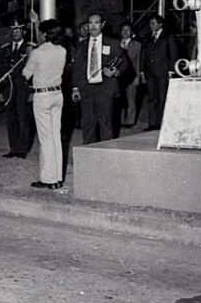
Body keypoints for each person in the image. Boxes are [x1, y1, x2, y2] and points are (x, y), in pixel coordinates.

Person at [23, 20, 69, 189]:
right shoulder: (62, 50)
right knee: (55, 136)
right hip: (57, 94)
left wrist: (29, 55)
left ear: (45, 34)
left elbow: (26, 74)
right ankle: (57, 178)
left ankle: (48, 179)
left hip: (42, 96)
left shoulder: (37, 53)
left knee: (45, 138)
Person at [71, 13, 126, 144]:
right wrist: (75, 88)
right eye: (90, 23)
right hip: (87, 89)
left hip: (105, 89)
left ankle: (105, 156)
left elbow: (124, 63)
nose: (93, 26)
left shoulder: (112, 43)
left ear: (102, 25)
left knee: (105, 124)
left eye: (96, 23)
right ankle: (89, 156)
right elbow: (77, 68)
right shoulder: (82, 45)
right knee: (88, 125)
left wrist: (115, 71)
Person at [0, 19, 33, 158]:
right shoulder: (5, 49)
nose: (16, 32)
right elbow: (0, 72)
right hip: (8, 89)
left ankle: (22, 150)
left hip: (23, 88)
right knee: (11, 119)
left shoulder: (29, 48)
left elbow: (33, 71)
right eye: (13, 30)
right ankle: (13, 148)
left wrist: (32, 90)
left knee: (24, 119)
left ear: (24, 31)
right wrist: (0, 91)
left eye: (18, 30)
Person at [140, 14, 179, 131]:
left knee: (162, 97)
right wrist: (142, 71)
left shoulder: (168, 36)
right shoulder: (147, 37)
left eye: (153, 23)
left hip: (163, 72)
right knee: (152, 97)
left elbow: (173, 54)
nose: (150, 26)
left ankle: (162, 123)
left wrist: (171, 71)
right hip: (150, 72)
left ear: (160, 24)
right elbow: (143, 55)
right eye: (150, 23)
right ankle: (152, 123)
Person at [118, 22, 142, 128]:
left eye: (128, 30)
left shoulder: (137, 45)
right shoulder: (116, 43)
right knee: (120, 99)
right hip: (118, 76)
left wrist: (137, 77)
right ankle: (120, 120)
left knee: (131, 99)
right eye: (123, 30)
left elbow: (138, 62)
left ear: (131, 32)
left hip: (131, 75)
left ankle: (130, 121)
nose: (125, 32)